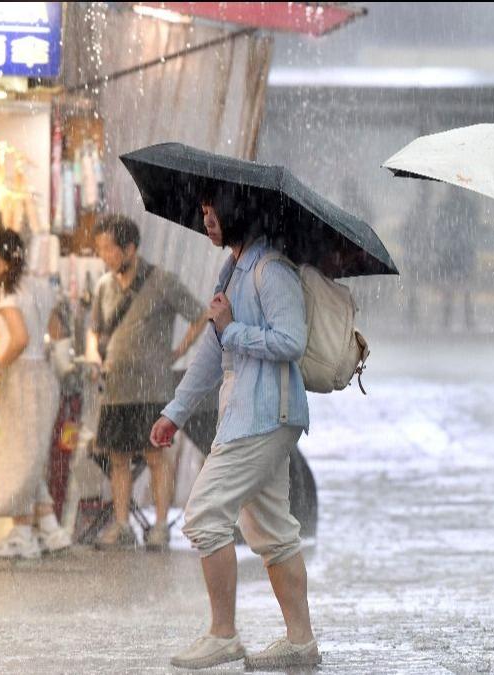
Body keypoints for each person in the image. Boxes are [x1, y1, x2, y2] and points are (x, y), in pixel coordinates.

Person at [150, 188, 319, 670]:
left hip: (265, 415)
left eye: (213, 209)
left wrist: (232, 329)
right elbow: (212, 349)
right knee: (272, 531)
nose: (206, 217)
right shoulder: (233, 270)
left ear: (239, 212)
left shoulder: (271, 270)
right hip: (245, 413)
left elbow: (291, 340)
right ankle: (300, 640)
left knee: (204, 515)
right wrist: (175, 412)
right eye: (203, 209)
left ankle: (223, 634)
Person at [88, 214, 208, 551]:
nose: (104, 256)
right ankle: (122, 523)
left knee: (155, 455)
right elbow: (94, 329)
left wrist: (177, 352)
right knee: (118, 457)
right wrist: (96, 359)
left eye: (108, 249)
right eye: (100, 249)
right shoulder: (104, 286)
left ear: (129, 248)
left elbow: (201, 315)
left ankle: (159, 525)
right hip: (115, 388)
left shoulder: (162, 281)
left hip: (152, 387)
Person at [0, 229, 70, 559]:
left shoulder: (8, 294)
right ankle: (51, 530)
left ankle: (22, 534)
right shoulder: (41, 286)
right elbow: (55, 331)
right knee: (31, 456)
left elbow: (18, 337)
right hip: (44, 377)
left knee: (18, 457)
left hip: (23, 379)